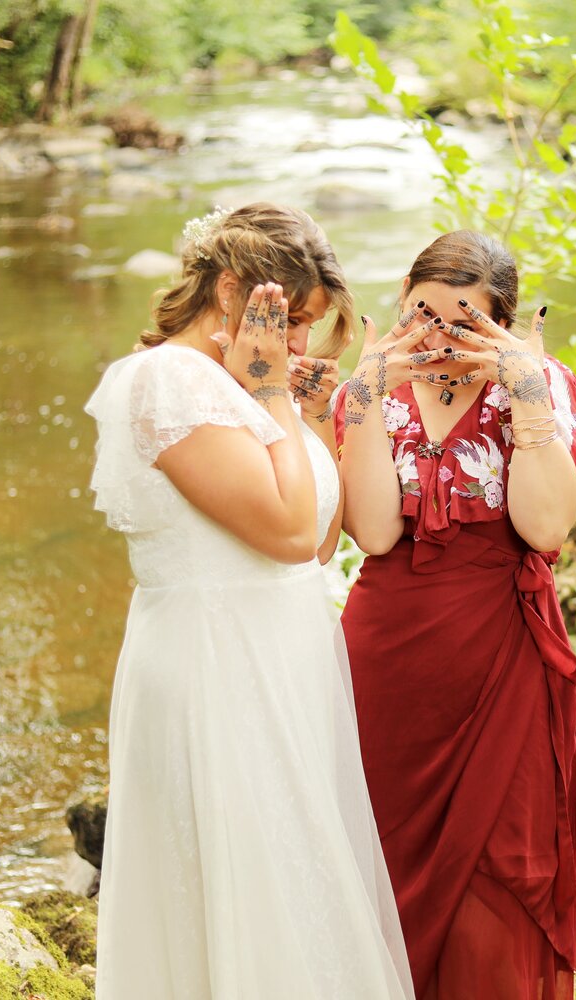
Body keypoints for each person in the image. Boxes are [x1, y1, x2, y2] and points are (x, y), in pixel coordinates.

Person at [85, 203, 412, 998]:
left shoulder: (241, 384)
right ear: (230, 290)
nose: (299, 345)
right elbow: (291, 532)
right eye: (291, 320)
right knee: (237, 877)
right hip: (213, 662)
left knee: (297, 868)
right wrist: (272, 400)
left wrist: (302, 416)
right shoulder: (167, 379)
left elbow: (326, 541)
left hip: (284, 654)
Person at [334, 231, 576, 999]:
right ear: (400, 304)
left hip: (501, 659)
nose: (438, 337)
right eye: (422, 313)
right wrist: (362, 391)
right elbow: (377, 532)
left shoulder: (539, 383)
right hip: (387, 662)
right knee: (380, 862)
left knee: (496, 875)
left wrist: (525, 393)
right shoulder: (374, 386)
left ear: (503, 326)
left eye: (463, 322)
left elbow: (545, 528)